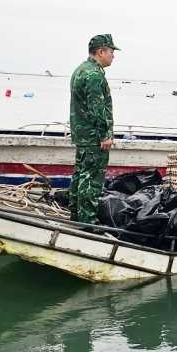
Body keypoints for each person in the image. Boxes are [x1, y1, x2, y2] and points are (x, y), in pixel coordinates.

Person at [68, 34, 119, 224]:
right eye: (111, 52)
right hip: (93, 136)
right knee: (92, 178)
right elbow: (97, 108)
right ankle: (87, 221)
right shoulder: (94, 75)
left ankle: (75, 213)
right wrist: (105, 135)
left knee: (80, 173)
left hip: (82, 134)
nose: (113, 56)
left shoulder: (80, 70)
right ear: (101, 51)